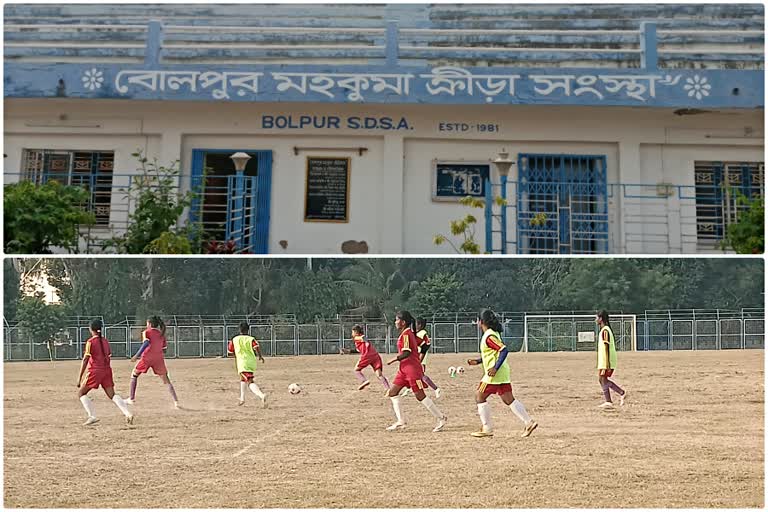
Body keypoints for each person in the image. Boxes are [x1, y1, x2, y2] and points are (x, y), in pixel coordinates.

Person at [468, 309, 537, 438]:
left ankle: (487, 428)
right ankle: (529, 422)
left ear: (481, 322)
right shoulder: (493, 334)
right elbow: (493, 353)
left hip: (494, 373)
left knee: (479, 396)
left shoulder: (489, 336)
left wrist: (494, 368)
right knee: (508, 399)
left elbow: (503, 350)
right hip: (502, 372)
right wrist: (478, 361)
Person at [385, 310, 447, 432]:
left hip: (412, 371)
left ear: (403, 322)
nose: (395, 322)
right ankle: (400, 421)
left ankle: (441, 418)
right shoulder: (408, 333)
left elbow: (407, 352)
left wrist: (394, 359)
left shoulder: (407, 334)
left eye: (397, 320)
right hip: (403, 370)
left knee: (420, 396)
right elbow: (424, 345)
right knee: (392, 393)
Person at [76, 319, 134, 426]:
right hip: (107, 370)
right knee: (112, 394)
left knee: (81, 393)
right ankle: (127, 413)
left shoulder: (90, 342)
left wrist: (79, 377)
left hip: (95, 371)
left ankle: (92, 416)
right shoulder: (105, 341)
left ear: (90, 329)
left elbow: (85, 359)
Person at [126, 315, 180, 409]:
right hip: (158, 359)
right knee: (166, 380)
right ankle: (176, 402)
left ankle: (131, 398)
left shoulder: (146, 332)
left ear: (150, 324)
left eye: (147, 323)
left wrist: (136, 355)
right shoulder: (161, 334)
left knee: (134, 374)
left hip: (147, 358)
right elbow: (164, 350)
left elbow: (146, 343)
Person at [227, 321, 267, 407]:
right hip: (251, 362)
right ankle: (242, 399)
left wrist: (237, 354)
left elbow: (229, 352)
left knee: (249, 381)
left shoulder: (234, 339)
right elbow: (256, 347)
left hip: (242, 363)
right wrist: (260, 356)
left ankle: (261, 395)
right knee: (243, 379)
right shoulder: (251, 339)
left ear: (239, 330)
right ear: (248, 330)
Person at [596, 310, 627, 408]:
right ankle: (611, 399)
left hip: (606, 361)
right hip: (604, 360)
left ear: (601, 319)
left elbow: (606, 347)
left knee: (602, 379)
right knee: (602, 379)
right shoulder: (605, 330)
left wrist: (607, 363)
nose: (595, 320)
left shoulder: (605, 330)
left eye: (597, 317)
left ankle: (619, 393)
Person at [350, 325, 389, 390]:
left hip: (367, 355)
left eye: (352, 332)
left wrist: (365, 340)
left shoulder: (357, 338)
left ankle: (364, 380)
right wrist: (349, 351)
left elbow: (362, 338)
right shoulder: (359, 342)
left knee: (356, 370)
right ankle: (387, 388)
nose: (352, 334)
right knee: (379, 374)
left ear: (356, 332)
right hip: (375, 355)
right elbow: (359, 350)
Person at [415, 317, 442, 399]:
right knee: (416, 376)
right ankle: (414, 389)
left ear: (419, 325)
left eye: (416, 324)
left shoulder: (422, 333)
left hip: (421, 357)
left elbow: (427, 344)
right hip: (418, 356)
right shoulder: (419, 333)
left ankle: (436, 389)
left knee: (421, 376)